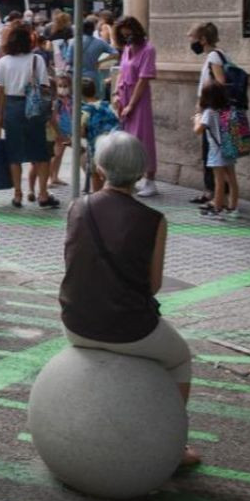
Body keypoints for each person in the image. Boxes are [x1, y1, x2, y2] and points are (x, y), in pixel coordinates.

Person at [57, 130, 200, 468]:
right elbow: (152, 286)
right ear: (140, 172)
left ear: (101, 167)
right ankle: (173, 446)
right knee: (180, 359)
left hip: (75, 322)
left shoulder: (78, 206)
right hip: (130, 329)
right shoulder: (154, 220)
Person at [0, 23, 56, 208]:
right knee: (40, 152)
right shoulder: (37, 60)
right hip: (33, 108)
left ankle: (17, 194)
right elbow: (44, 87)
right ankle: (43, 194)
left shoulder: (4, 61)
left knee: (14, 153)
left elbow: (1, 92)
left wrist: (0, 115)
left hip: (12, 107)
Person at [113, 16, 160, 197]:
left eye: (129, 34)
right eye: (123, 35)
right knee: (128, 139)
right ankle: (134, 177)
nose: (127, 38)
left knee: (143, 138)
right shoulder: (127, 48)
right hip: (124, 96)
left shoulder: (148, 50)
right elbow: (122, 72)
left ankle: (150, 179)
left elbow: (143, 79)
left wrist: (131, 104)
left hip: (138, 99)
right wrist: (116, 94)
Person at [188, 21, 228, 206]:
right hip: (211, 112)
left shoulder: (214, 57)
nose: (192, 43)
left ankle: (215, 195)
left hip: (211, 114)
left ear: (203, 39)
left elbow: (220, 83)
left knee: (211, 155)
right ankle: (215, 194)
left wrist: (204, 106)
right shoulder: (214, 56)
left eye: (194, 39)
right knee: (211, 155)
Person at [194, 81, 239, 220]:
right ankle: (233, 207)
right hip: (229, 147)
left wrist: (197, 119)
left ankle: (217, 208)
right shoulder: (228, 110)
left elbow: (198, 131)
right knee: (231, 178)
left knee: (218, 180)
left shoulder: (209, 112)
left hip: (216, 151)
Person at [80, 76, 119, 192]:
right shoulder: (106, 105)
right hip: (112, 145)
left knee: (95, 173)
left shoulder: (84, 111)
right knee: (108, 173)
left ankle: (98, 198)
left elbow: (81, 133)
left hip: (95, 147)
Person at [63, 18, 117, 89]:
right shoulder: (100, 43)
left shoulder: (73, 42)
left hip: (77, 77)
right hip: (93, 78)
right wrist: (100, 62)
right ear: (93, 29)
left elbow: (68, 61)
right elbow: (115, 54)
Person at [49, 75, 73, 186]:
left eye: (65, 86)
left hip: (66, 129)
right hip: (58, 130)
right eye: (60, 86)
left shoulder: (70, 100)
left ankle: (55, 177)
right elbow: (53, 117)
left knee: (60, 154)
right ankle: (50, 178)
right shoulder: (56, 101)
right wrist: (57, 131)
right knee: (56, 154)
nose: (63, 88)